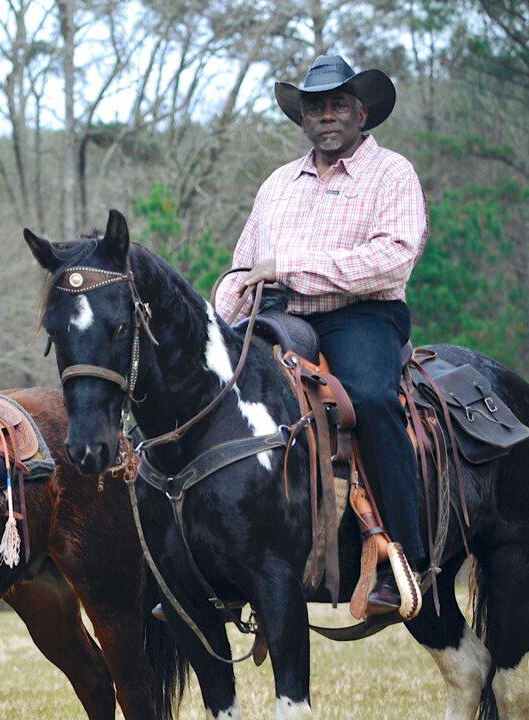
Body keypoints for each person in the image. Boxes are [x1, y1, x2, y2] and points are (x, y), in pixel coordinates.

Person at [214, 55, 428, 611]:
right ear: (303, 119)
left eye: (337, 105)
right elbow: (244, 267)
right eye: (315, 108)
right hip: (279, 315)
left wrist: (292, 266)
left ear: (361, 113)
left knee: (372, 401)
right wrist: (219, 326)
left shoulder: (392, 173)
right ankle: (215, 565)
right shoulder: (278, 184)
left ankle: (405, 556)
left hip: (363, 314)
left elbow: (393, 258)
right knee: (224, 403)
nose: (325, 115)